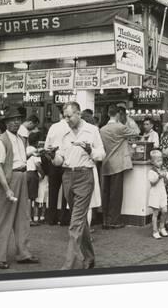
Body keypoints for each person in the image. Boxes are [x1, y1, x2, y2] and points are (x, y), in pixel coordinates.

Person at [52, 102, 105, 270]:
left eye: (69, 116)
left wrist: (90, 151)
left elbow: (101, 154)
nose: (66, 120)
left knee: (75, 222)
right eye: (64, 116)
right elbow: (59, 159)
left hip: (84, 175)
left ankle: (69, 265)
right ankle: (89, 257)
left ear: (79, 113)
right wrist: (52, 156)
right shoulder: (63, 131)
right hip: (67, 175)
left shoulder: (92, 130)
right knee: (80, 218)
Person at [0, 107, 39, 269]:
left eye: (18, 119)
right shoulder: (1, 141)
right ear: (5, 123)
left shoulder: (20, 138)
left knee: (23, 218)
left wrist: (33, 154)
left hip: (21, 177)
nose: (16, 122)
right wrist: (7, 189)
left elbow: (18, 159)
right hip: (8, 180)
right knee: (3, 219)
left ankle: (23, 253)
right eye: (12, 120)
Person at [100, 105, 139, 229]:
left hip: (106, 164)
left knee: (106, 193)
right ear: (117, 114)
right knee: (116, 194)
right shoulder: (121, 127)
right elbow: (137, 132)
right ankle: (114, 221)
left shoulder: (102, 129)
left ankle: (105, 220)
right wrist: (128, 119)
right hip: (117, 164)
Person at [44, 117, 71, 226]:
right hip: (67, 162)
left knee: (53, 191)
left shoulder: (53, 127)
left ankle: (51, 218)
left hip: (54, 161)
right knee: (66, 192)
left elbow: (47, 146)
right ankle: (64, 218)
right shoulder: (71, 128)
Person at [148, 150, 168, 239]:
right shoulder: (151, 172)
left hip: (162, 192)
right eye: (157, 161)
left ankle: (162, 227)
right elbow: (152, 183)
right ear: (152, 162)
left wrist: (165, 177)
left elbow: (167, 181)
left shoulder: (164, 169)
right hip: (155, 193)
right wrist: (159, 177)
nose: (160, 162)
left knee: (165, 210)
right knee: (155, 213)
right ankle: (155, 230)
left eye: (161, 160)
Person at [26, 132, 45, 226]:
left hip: (25, 173)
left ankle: (27, 218)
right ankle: (29, 219)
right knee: (31, 198)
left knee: (26, 197)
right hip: (32, 174)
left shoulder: (25, 149)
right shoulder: (35, 151)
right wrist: (42, 174)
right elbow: (37, 165)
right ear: (37, 142)